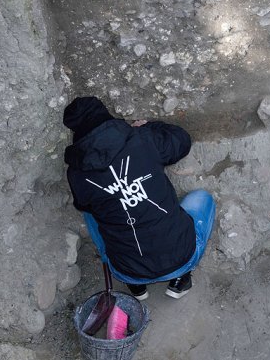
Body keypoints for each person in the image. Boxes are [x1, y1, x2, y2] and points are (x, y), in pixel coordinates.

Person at [63, 96, 216, 300]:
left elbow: (84, 204)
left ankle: (136, 286)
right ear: (106, 116)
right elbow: (182, 140)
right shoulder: (141, 138)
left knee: (91, 212)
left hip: (127, 270)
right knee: (202, 198)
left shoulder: (76, 173)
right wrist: (150, 127)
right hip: (181, 257)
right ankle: (181, 278)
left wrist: (115, 194)